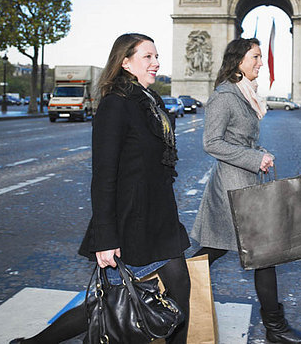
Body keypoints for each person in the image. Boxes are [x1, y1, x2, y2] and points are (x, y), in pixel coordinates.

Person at [10, 34, 191, 344]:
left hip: (160, 219)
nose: (157, 62)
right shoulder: (115, 105)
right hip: (130, 221)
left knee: (179, 299)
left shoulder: (152, 102)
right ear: (125, 61)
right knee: (104, 306)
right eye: (147, 56)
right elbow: (104, 176)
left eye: (156, 56)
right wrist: (105, 238)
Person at [190, 37, 301, 344]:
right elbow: (212, 143)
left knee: (215, 252)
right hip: (232, 186)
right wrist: (254, 157)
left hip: (244, 182)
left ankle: (168, 290)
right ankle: (276, 328)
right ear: (238, 60)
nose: (262, 62)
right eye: (256, 57)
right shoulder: (224, 96)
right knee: (262, 254)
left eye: (261, 56)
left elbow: (237, 139)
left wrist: (259, 153)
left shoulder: (244, 94)